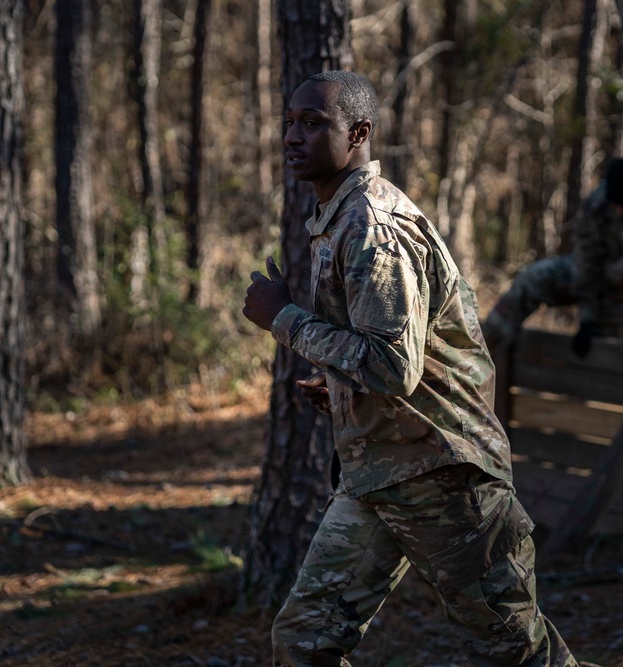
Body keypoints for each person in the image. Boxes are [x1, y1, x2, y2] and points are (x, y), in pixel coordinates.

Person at [241, 70, 578, 667]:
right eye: (290, 122)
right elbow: (384, 356)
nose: (293, 136)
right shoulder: (337, 217)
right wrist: (344, 390)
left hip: (443, 473)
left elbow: (395, 366)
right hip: (379, 474)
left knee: (516, 656)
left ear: (360, 132)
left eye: (314, 123)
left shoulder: (373, 226)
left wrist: (285, 320)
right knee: (303, 644)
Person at [482, 157, 623, 357]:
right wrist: (588, 318)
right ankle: (481, 349)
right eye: (615, 206)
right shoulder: (599, 202)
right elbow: (586, 261)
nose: (619, 212)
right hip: (597, 281)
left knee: (616, 356)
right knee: (534, 278)